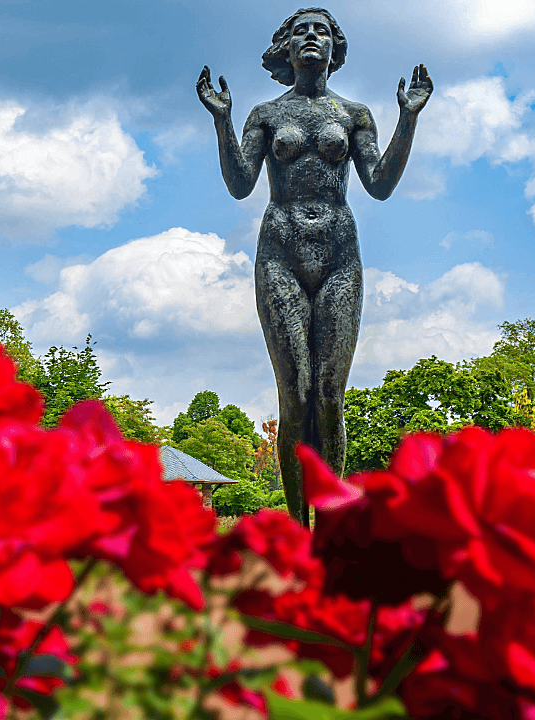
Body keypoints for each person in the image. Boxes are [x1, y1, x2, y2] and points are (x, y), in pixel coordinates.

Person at [196, 7, 432, 528]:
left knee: (329, 397)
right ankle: (298, 530)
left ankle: (331, 528)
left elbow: (380, 183)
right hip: (280, 252)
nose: (310, 37)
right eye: (300, 31)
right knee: (296, 395)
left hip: (338, 256)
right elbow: (240, 183)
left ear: (333, 48)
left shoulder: (353, 114)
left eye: (320, 31)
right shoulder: (265, 113)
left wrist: (408, 119)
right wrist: (222, 120)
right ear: (285, 48)